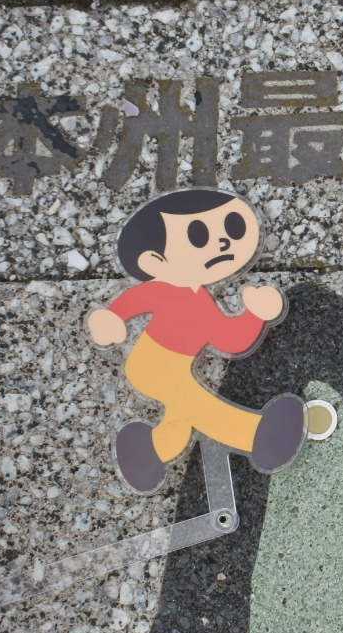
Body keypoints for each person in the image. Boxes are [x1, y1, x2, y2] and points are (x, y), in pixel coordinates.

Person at [85, 188, 304, 493]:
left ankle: (150, 451)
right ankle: (255, 434)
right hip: (150, 365)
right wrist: (112, 319)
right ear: (154, 261)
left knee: (183, 415)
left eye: (233, 227)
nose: (222, 242)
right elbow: (134, 301)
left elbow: (230, 340)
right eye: (198, 236)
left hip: (175, 370)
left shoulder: (203, 302)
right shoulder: (165, 290)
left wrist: (256, 315)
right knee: (198, 404)